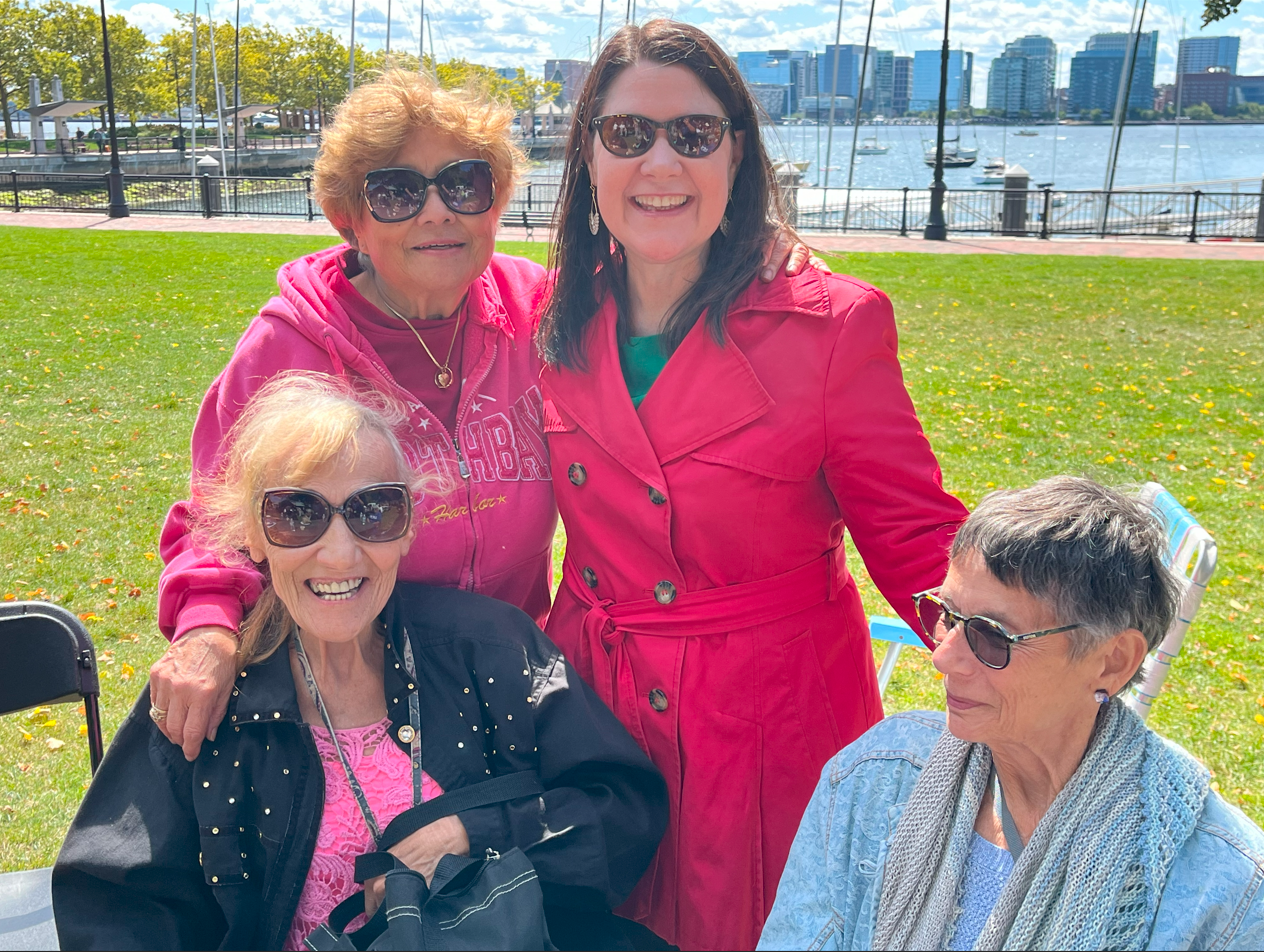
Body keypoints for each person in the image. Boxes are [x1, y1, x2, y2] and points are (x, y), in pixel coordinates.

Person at [150, 69, 814, 764]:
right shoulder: (291, 346)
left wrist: (746, 249)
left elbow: (666, 273)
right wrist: (206, 629)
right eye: (398, 192)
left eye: (464, 184)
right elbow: (217, 519)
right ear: (350, 216)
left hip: (506, 685)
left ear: (495, 203)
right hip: (347, 701)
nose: (438, 212)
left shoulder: (546, 312)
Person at [536, 20, 969, 951]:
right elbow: (407, 275)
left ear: (738, 153)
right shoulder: (545, 312)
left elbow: (916, 539)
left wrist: (1022, 667)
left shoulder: (831, 327)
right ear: (587, 157)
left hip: (769, 727)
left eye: (693, 135)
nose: (659, 161)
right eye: (626, 135)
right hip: (594, 714)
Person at [53, 374, 669, 951]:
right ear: (254, 536)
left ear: (408, 528)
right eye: (296, 514)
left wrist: (468, 835)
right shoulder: (211, 695)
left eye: (374, 511)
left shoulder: (494, 653)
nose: (340, 553)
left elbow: (623, 809)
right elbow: (114, 907)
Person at [759, 476, 1264, 951]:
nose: (942, 656)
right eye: (947, 616)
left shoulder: (1221, 891)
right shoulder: (874, 780)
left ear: (1112, 661)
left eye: (992, 635)